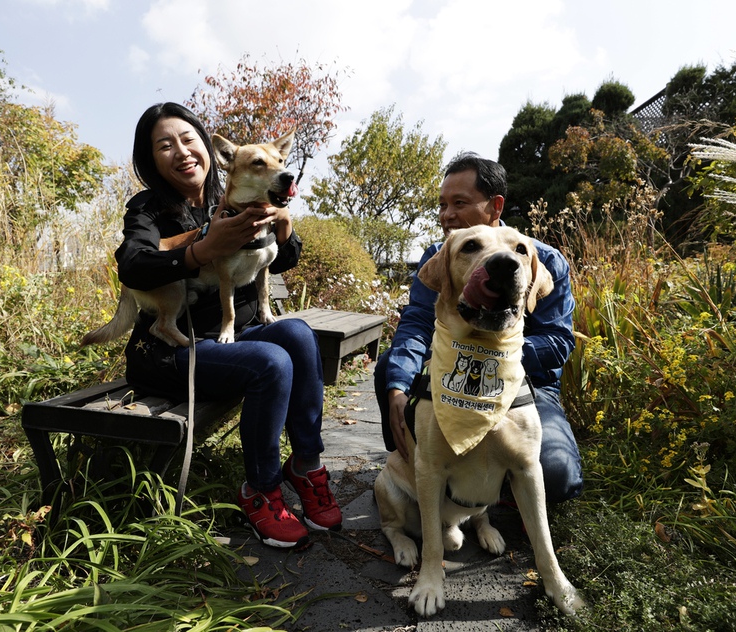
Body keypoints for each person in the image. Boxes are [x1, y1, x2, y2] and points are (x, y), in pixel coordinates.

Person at [114, 102, 340, 549]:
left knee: (297, 333)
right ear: (151, 158)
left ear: (205, 145)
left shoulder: (243, 191)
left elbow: (286, 259)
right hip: (171, 353)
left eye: (187, 139)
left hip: (233, 338)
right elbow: (132, 265)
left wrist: (285, 226)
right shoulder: (147, 210)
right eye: (165, 145)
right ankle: (260, 487)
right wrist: (199, 250)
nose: (181, 152)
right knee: (271, 361)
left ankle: (306, 463)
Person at [373, 152, 583, 503]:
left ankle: (485, 489)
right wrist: (397, 386)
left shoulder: (542, 260)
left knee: (557, 476)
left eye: (459, 203)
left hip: (525, 387)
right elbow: (417, 323)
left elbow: (558, 341)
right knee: (389, 369)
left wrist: (486, 353)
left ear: (495, 206)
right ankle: (420, 470)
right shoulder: (439, 255)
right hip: (450, 377)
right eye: (442, 205)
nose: (446, 215)